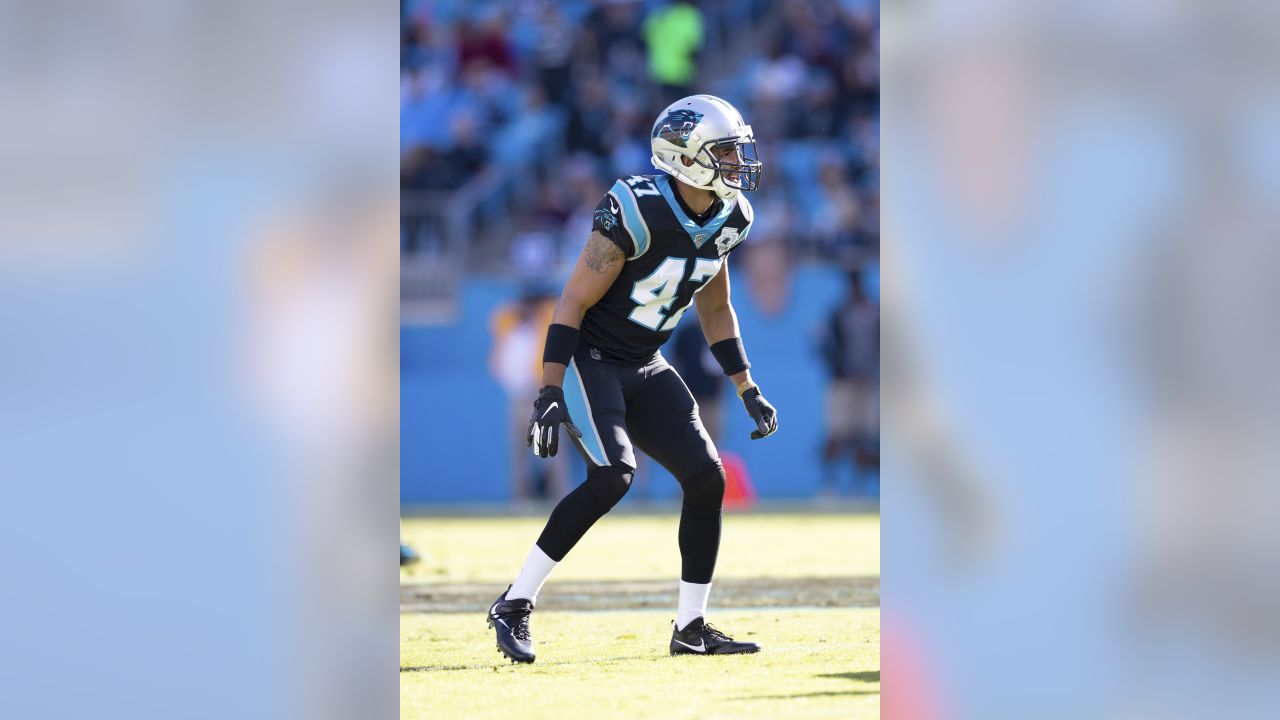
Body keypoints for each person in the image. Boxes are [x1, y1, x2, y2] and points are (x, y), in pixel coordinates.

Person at [487, 95, 778, 663]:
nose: (738, 162)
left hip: (646, 360)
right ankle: (515, 603)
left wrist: (746, 385)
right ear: (684, 156)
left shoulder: (731, 215)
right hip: (591, 358)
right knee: (614, 475)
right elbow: (572, 300)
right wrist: (548, 390)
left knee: (707, 478)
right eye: (724, 150)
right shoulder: (637, 208)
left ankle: (690, 627)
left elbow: (715, 309)